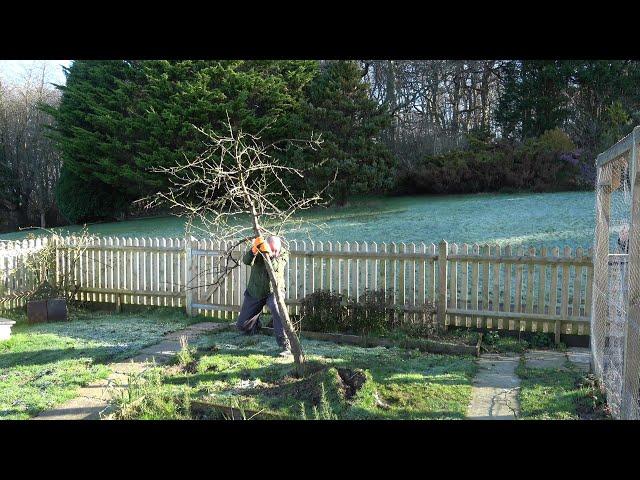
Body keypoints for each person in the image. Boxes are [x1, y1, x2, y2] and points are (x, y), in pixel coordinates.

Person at [236, 235, 291, 356]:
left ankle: (285, 345)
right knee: (241, 326)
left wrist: (270, 255)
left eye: (276, 249)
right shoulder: (260, 250)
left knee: (277, 309)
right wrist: (254, 250)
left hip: (274, 291)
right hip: (256, 290)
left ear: (279, 247)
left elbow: (276, 267)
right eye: (272, 249)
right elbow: (246, 261)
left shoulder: (283, 254)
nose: (275, 251)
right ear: (266, 245)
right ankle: (255, 325)